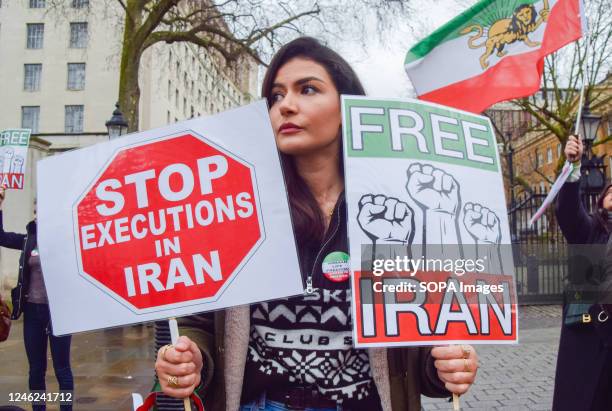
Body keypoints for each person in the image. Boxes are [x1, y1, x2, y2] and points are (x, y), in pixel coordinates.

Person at [153, 37, 478, 411]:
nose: (286, 106)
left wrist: (445, 367)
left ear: (347, 108)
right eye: (275, 96)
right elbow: (200, 319)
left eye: (307, 89)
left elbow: (422, 328)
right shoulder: (239, 205)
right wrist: (192, 356)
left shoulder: (397, 211)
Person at [0, 188, 73, 411]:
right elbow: (1, 236)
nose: (36, 214)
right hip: (32, 312)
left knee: (62, 369)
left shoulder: (65, 240)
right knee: (36, 369)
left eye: (40, 210)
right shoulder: (28, 240)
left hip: (58, 313)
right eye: (34, 210)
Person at [553, 134, 612, 411]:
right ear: (601, 203)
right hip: (591, 336)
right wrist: (573, 167)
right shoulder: (591, 232)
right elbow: (567, 211)